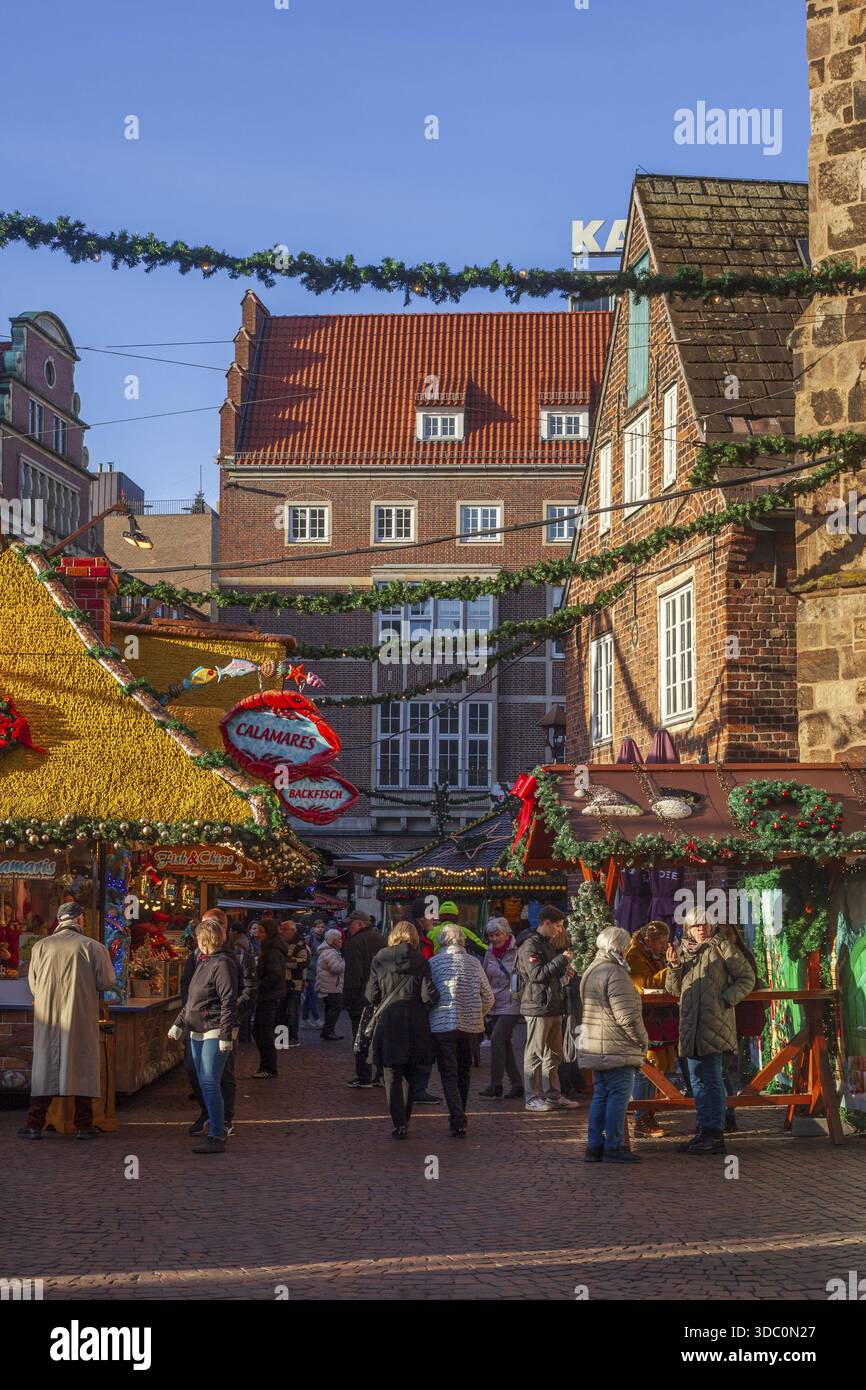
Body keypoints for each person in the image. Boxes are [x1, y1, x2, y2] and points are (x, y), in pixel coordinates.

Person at [19, 901, 116, 1141]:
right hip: (79, 1015)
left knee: (45, 1067)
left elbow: (33, 985)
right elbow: (106, 981)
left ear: (60, 920)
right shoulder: (92, 947)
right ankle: (83, 1125)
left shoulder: (41, 947)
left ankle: (35, 1123)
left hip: (48, 1017)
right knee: (82, 1065)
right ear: (80, 919)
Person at [665, 908, 756, 1154]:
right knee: (697, 1080)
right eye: (696, 926)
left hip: (715, 1023)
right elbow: (674, 990)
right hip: (690, 1026)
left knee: (713, 1079)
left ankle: (716, 1134)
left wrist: (726, 999)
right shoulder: (683, 951)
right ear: (688, 929)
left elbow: (747, 977)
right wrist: (673, 966)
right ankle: (704, 1131)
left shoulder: (722, 947)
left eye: (705, 925)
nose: (701, 929)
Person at [579, 925, 649, 1165]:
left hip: (596, 1043)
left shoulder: (592, 969)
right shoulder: (615, 973)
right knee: (618, 1096)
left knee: (601, 1095)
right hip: (616, 1044)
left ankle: (594, 1145)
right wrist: (642, 1040)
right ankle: (614, 1145)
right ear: (619, 946)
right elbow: (626, 1016)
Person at [365, 920, 439, 1138]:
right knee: (410, 1072)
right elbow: (429, 995)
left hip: (389, 1020)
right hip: (415, 1021)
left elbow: (372, 995)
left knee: (391, 1073)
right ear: (415, 937)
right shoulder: (422, 961)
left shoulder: (380, 957)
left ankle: (398, 1122)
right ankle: (405, 1119)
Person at [169, 918, 237, 1154]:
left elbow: (228, 1000)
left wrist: (226, 1034)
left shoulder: (221, 964)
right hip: (198, 1028)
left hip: (213, 1027)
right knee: (204, 1081)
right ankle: (215, 1128)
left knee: (209, 1082)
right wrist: (180, 1021)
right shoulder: (204, 961)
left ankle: (217, 1133)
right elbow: (192, 999)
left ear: (204, 940)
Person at [428, 923, 495, 1137]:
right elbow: (489, 997)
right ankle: (460, 1115)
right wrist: (477, 1012)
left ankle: (457, 1118)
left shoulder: (434, 963)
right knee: (464, 1071)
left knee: (448, 1072)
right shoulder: (474, 963)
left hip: (442, 1024)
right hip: (470, 1026)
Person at [517, 904, 578, 1113]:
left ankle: (553, 1095)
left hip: (552, 1006)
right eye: (558, 926)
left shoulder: (546, 945)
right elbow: (537, 976)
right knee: (534, 1053)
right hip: (537, 1007)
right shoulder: (530, 946)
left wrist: (563, 978)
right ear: (547, 923)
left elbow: (548, 977)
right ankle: (532, 1097)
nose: (559, 930)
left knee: (554, 1053)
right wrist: (562, 959)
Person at [626, 920, 679, 1138]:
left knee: (655, 1068)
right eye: (662, 942)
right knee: (646, 1067)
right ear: (649, 940)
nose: (665, 946)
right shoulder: (635, 956)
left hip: (660, 1018)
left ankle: (649, 1113)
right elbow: (645, 984)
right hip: (646, 1019)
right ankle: (641, 1117)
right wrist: (670, 969)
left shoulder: (652, 955)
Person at [479, 917, 523, 1099]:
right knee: (504, 1043)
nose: (495, 939)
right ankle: (517, 1084)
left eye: (497, 935)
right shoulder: (489, 953)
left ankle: (496, 1084)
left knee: (496, 1039)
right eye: (491, 936)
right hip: (495, 1003)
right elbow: (484, 976)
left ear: (506, 934)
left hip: (512, 1003)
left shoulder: (518, 952)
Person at [342, 910, 386, 1088]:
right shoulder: (382, 940)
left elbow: (354, 975)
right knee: (379, 1037)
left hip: (362, 998)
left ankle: (364, 1075)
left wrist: (349, 999)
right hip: (382, 996)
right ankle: (381, 1074)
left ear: (360, 924)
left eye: (350, 924)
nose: (348, 928)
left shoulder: (355, 943)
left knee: (361, 1038)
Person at [407, 898, 441, 1103]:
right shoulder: (422, 944)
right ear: (422, 918)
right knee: (423, 1048)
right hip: (419, 1004)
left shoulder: (421, 940)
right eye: (431, 915)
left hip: (407, 1002)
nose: (435, 919)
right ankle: (418, 1089)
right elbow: (425, 974)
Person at [252, 916, 288, 1077]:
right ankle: (266, 1066)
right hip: (269, 995)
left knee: (262, 1032)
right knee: (261, 1031)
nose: (258, 934)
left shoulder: (271, 951)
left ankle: (268, 1067)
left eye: (261, 931)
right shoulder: (271, 948)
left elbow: (274, 975)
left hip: (268, 996)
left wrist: (259, 984)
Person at [277, 919, 309, 1048]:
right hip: (281, 983)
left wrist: (284, 962)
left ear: (292, 930)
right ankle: (282, 1039)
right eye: (281, 929)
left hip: (294, 984)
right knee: (280, 1012)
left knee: (292, 1011)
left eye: (285, 929)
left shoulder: (300, 944)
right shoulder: (279, 942)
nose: (282, 932)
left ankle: (293, 1037)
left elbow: (304, 962)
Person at [229, 922, 256, 1043]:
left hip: (241, 984)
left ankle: (244, 1037)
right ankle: (245, 1037)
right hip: (245, 984)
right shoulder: (246, 941)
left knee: (242, 1015)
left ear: (234, 931)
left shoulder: (238, 945)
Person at [316, 929, 345, 1040]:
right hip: (331, 986)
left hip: (329, 984)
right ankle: (328, 1031)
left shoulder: (329, 951)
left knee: (331, 1008)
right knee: (334, 1008)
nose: (341, 941)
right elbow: (336, 968)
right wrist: (343, 962)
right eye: (339, 939)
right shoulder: (330, 952)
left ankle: (328, 1031)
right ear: (333, 940)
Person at [302, 919, 325, 1028]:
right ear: (314, 928)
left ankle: (305, 1018)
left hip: (318, 970)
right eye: (318, 927)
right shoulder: (309, 938)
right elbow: (303, 951)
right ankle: (317, 1018)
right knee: (313, 995)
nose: (320, 929)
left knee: (309, 996)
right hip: (310, 970)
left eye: (322, 927)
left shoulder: (323, 939)